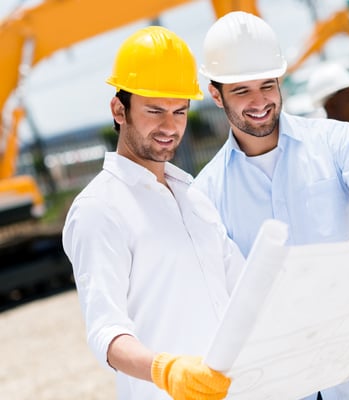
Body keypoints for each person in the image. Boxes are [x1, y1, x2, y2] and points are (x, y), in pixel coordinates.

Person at [193, 11, 349, 400]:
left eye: (267, 85)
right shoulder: (206, 193)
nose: (259, 101)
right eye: (241, 91)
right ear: (216, 94)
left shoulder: (337, 140)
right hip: (287, 386)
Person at [62, 26, 245, 400]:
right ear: (119, 109)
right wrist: (166, 370)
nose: (170, 126)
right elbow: (106, 331)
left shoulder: (193, 197)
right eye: (154, 111)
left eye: (180, 111)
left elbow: (247, 291)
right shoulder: (99, 210)